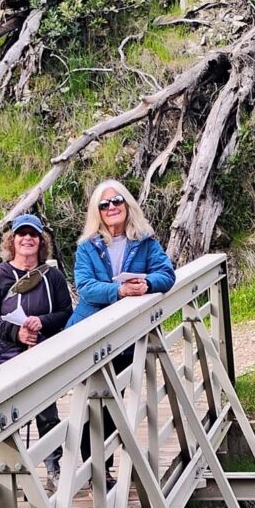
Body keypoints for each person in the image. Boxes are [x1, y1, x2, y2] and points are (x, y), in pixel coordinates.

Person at [66, 180, 176, 482]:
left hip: (127, 337)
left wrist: (148, 284)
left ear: (127, 205)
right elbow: (86, 288)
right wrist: (120, 291)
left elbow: (167, 274)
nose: (111, 208)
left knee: (115, 401)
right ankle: (94, 472)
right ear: (96, 212)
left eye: (117, 202)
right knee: (93, 404)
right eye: (104, 205)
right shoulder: (87, 247)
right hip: (91, 333)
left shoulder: (145, 241)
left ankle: (104, 469)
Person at [0, 214, 73, 493]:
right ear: (12, 240)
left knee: (47, 412)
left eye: (33, 234)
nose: (27, 239)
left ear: (41, 241)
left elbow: (65, 312)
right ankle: (10, 475)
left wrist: (41, 323)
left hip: (42, 351)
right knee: (8, 414)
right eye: (21, 234)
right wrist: (16, 332)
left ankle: (53, 468)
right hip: (4, 353)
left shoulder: (52, 277)